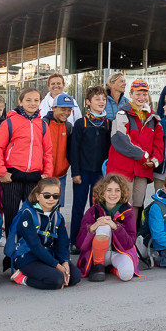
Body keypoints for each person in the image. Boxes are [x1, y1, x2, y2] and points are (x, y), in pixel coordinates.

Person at [0, 87, 50, 231]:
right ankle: (11, 251)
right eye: (28, 100)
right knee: (11, 215)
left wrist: (47, 174)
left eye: (36, 100)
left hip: (34, 176)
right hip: (12, 176)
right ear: (20, 101)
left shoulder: (42, 125)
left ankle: (28, 250)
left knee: (32, 215)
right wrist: (2, 173)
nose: (32, 103)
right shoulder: (9, 123)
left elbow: (48, 152)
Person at [8, 177, 82, 288]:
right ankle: (22, 278)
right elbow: (35, 245)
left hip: (48, 253)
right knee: (56, 280)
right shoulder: (27, 215)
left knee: (75, 276)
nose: (51, 199)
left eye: (55, 196)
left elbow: (63, 243)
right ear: (38, 196)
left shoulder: (58, 216)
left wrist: (65, 262)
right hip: (28, 256)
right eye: (47, 195)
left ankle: (50, 269)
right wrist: (56, 265)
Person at [106, 79, 163, 212]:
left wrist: (154, 160)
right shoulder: (122, 114)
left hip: (142, 170)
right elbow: (121, 140)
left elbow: (159, 144)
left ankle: (132, 233)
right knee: (122, 203)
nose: (141, 97)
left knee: (137, 204)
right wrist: (144, 156)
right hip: (123, 169)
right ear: (130, 94)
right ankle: (119, 233)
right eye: (137, 94)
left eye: (144, 94)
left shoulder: (154, 119)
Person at [76, 174, 139, 282]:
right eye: (109, 190)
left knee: (127, 275)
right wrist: (92, 228)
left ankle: (112, 269)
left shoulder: (128, 212)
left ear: (122, 192)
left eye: (117, 190)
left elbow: (129, 243)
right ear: (102, 192)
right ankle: (98, 266)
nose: (113, 194)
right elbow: (80, 245)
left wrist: (116, 227)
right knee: (103, 224)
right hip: (98, 255)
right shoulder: (93, 211)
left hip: (119, 252)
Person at [68, 85, 112, 241]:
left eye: (104, 99)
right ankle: (75, 240)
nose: (101, 102)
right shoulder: (81, 123)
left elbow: (109, 151)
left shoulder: (108, 124)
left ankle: (94, 239)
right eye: (97, 99)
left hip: (99, 174)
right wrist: (75, 173)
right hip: (82, 173)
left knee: (98, 208)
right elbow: (74, 150)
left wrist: (107, 174)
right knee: (78, 208)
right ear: (88, 102)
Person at [42, 94, 76, 196]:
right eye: (63, 109)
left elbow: (70, 149)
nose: (66, 113)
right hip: (44, 175)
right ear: (53, 108)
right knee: (42, 204)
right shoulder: (44, 124)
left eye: (69, 110)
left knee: (57, 204)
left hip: (61, 175)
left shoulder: (68, 126)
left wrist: (66, 163)